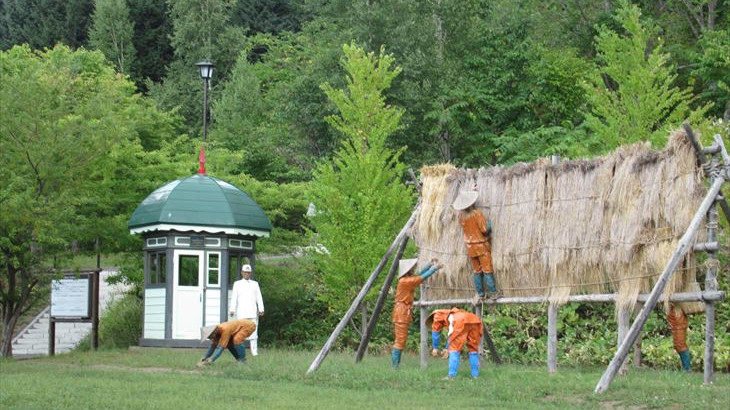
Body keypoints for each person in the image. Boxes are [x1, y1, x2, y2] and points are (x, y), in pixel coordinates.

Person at [391, 258, 442, 369]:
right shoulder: (404, 281)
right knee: (400, 340)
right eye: (412, 268)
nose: (413, 269)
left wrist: (429, 265)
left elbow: (418, 275)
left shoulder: (406, 280)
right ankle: (395, 367)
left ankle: (396, 366)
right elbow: (420, 278)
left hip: (403, 311)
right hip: (401, 312)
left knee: (401, 339)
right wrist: (434, 269)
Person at [453, 190, 498, 300]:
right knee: (487, 269)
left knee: (477, 271)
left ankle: (480, 293)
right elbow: (484, 230)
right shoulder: (477, 213)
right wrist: (489, 224)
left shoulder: (461, 216)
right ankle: (493, 293)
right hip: (480, 246)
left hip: (470, 247)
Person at [427, 307, 484, 379]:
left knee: (454, 350)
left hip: (459, 321)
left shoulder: (437, 316)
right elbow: (451, 334)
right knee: (473, 350)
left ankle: (451, 376)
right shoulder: (452, 313)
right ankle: (475, 375)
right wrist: (447, 348)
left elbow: (436, 332)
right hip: (474, 320)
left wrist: (435, 348)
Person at [230, 264, 264, 356]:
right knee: (240, 333)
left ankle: (254, 352)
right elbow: (234, 298)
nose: (247, 274)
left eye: (248, 273)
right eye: (245, 272)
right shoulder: (237, 284)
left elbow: (259, 297)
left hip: (253, 312)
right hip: (242, 313)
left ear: (251, 273)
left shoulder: (255, 284)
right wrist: (232, 309)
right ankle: (241, 352)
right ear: (242, 273)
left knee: (254, 333)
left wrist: (261, 309)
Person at [667, 303, 691, 371]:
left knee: (680, 345)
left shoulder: (677, 309)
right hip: (677, 327)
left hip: (679, 327)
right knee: (679, 345)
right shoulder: (673, 308)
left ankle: (687, 368)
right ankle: (686, 367)